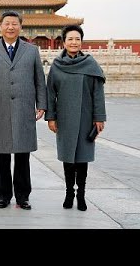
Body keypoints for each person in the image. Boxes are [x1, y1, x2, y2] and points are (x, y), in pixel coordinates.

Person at [0, 10, 47, 210]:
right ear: (0, 27)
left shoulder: (31, 50)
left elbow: (39, 80)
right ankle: (3, 195)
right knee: (2, 153)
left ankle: (23, 196)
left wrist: (41, 104)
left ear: (21, 27)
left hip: (25, 107)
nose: (10, 27)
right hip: (0, 107)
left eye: (14, 24)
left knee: (23, 154)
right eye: (7, 23)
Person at [45, 25, 106, 211]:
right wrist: (51, 117)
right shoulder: (56, 66)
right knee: (68, 158)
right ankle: (69, 192)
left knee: (82, 158)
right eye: (70, 39)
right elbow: (50, 93)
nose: (74, 42)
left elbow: (98, 93)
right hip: (64, 118)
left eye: (77, 39)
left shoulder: (90, 64)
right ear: (63, 42)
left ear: (81, 42)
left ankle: (81, 195)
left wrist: (99, 117)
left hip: (86, 117)